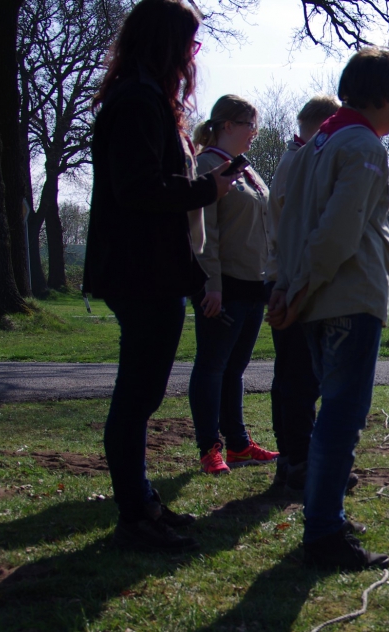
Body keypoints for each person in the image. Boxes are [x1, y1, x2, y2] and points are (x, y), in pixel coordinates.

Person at [84, 0, 238, 552]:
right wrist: (206, 189)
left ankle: (143, 502)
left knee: (141, 394)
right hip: (138, 272)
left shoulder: (144, 97)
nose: (194, 56)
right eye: (190, 44)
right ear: (167, 44)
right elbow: (138, 188)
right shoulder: (135, 101)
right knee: (137, 396)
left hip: (152, 270)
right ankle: (135, 514)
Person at [268, 48, 389, 571]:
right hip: (347, 296)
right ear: (384, 98)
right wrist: (300, 287)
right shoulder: (364, 146)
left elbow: (285, 220)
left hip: (312, 297)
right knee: (341, 416)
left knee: (330, 411)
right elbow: (339, 230)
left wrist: (287, 285)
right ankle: (324, 533)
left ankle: (324, 515)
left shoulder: (313, 144)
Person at [189, 95, 279, 475]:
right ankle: (209, 447)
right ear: (228, 125)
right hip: (222, 286)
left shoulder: (247, 170)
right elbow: (204, 232)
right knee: (212, 367)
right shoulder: (206, 167)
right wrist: (211, 284)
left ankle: (239, 445)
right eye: (250, 126)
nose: (255, 133)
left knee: (235, 369)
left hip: (253, 285)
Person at [265, 95, 340, 492]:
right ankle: (298, 460)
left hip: (286, 276)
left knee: (292, 375)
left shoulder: (294, 158)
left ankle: (292, 458)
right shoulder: (302, 160)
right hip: (293, 279)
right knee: (300, 376)